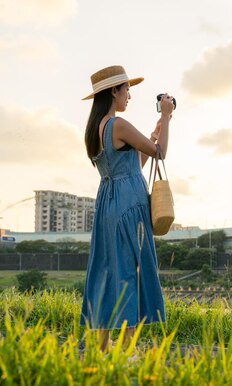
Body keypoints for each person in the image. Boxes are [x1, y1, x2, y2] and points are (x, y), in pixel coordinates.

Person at [80, 65, 174, 351]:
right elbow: (161, 155)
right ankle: (127, 351)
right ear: (113, 91)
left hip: (108, 204)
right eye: (126, 90)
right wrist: (166, 116)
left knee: (109, 272)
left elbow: (133, 166)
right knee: (130, 274)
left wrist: (153, 135)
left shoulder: (95, 130)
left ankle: (101, 348)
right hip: (130, 204)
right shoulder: (118, 124)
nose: (129, 96)